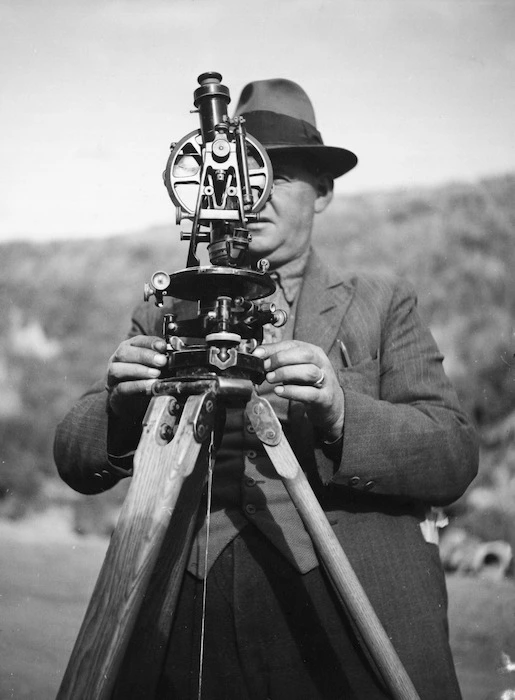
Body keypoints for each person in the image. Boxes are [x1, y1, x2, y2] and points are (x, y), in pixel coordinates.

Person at [54, 78, 478, 700]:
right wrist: (122, 410)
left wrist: (341, 413)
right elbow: (74, 455)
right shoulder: (174, 307)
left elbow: (452, 454)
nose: (250, 193)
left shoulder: (381, 304)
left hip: (341, 611)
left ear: (324, 192)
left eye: (274, 175)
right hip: (189, 612)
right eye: (240, 173)